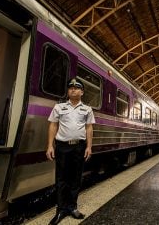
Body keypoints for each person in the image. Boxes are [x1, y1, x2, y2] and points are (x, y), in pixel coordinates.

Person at [46, 77, 95, 225]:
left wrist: (89, 146)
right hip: (62, 146)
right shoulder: (59, 107)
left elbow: (89, 128)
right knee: (61, 178)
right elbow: (53, 125)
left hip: (78, 147)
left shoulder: (87, 109)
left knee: (75, 178)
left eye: (76, 87)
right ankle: (60, 210)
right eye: (70, 88)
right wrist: (50, 145)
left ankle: (72, 207)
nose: (72, 89)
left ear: (82, 92)